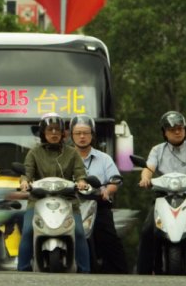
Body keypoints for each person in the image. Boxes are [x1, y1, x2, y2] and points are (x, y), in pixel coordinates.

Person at [136, 111, 186, 275]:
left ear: (185, 129)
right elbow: (148, 168)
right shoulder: (157, 150)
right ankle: (143, 274)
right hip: (163, 198)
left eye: (180, 128)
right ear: (164, 132)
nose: (177, 131)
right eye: (172, 129)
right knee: (147, 230)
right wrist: (145, 179)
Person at [18, 113, 91, 273]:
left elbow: (80, 173)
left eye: (57, 130)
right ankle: (22, 270)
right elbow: (27, 172)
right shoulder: (34, 153)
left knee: (79, 232)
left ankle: (85, 272)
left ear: (63, 133)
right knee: (28, 231)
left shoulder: (72, 153)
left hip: (68, 200)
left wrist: (81, 182)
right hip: (37, 200)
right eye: (50, 130)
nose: (54, 133)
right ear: (43, 132)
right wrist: (24, 182)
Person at [70, 115, 127, 274]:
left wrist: (107, 191)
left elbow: (115, 181)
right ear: (71, 135)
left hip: (97, 203)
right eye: (78, 133)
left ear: (92, 135)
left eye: (86, 133)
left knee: (110, 239)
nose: (82, 137)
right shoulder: (64, 157)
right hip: (71, 205)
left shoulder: (104, 158)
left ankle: (121, 277)